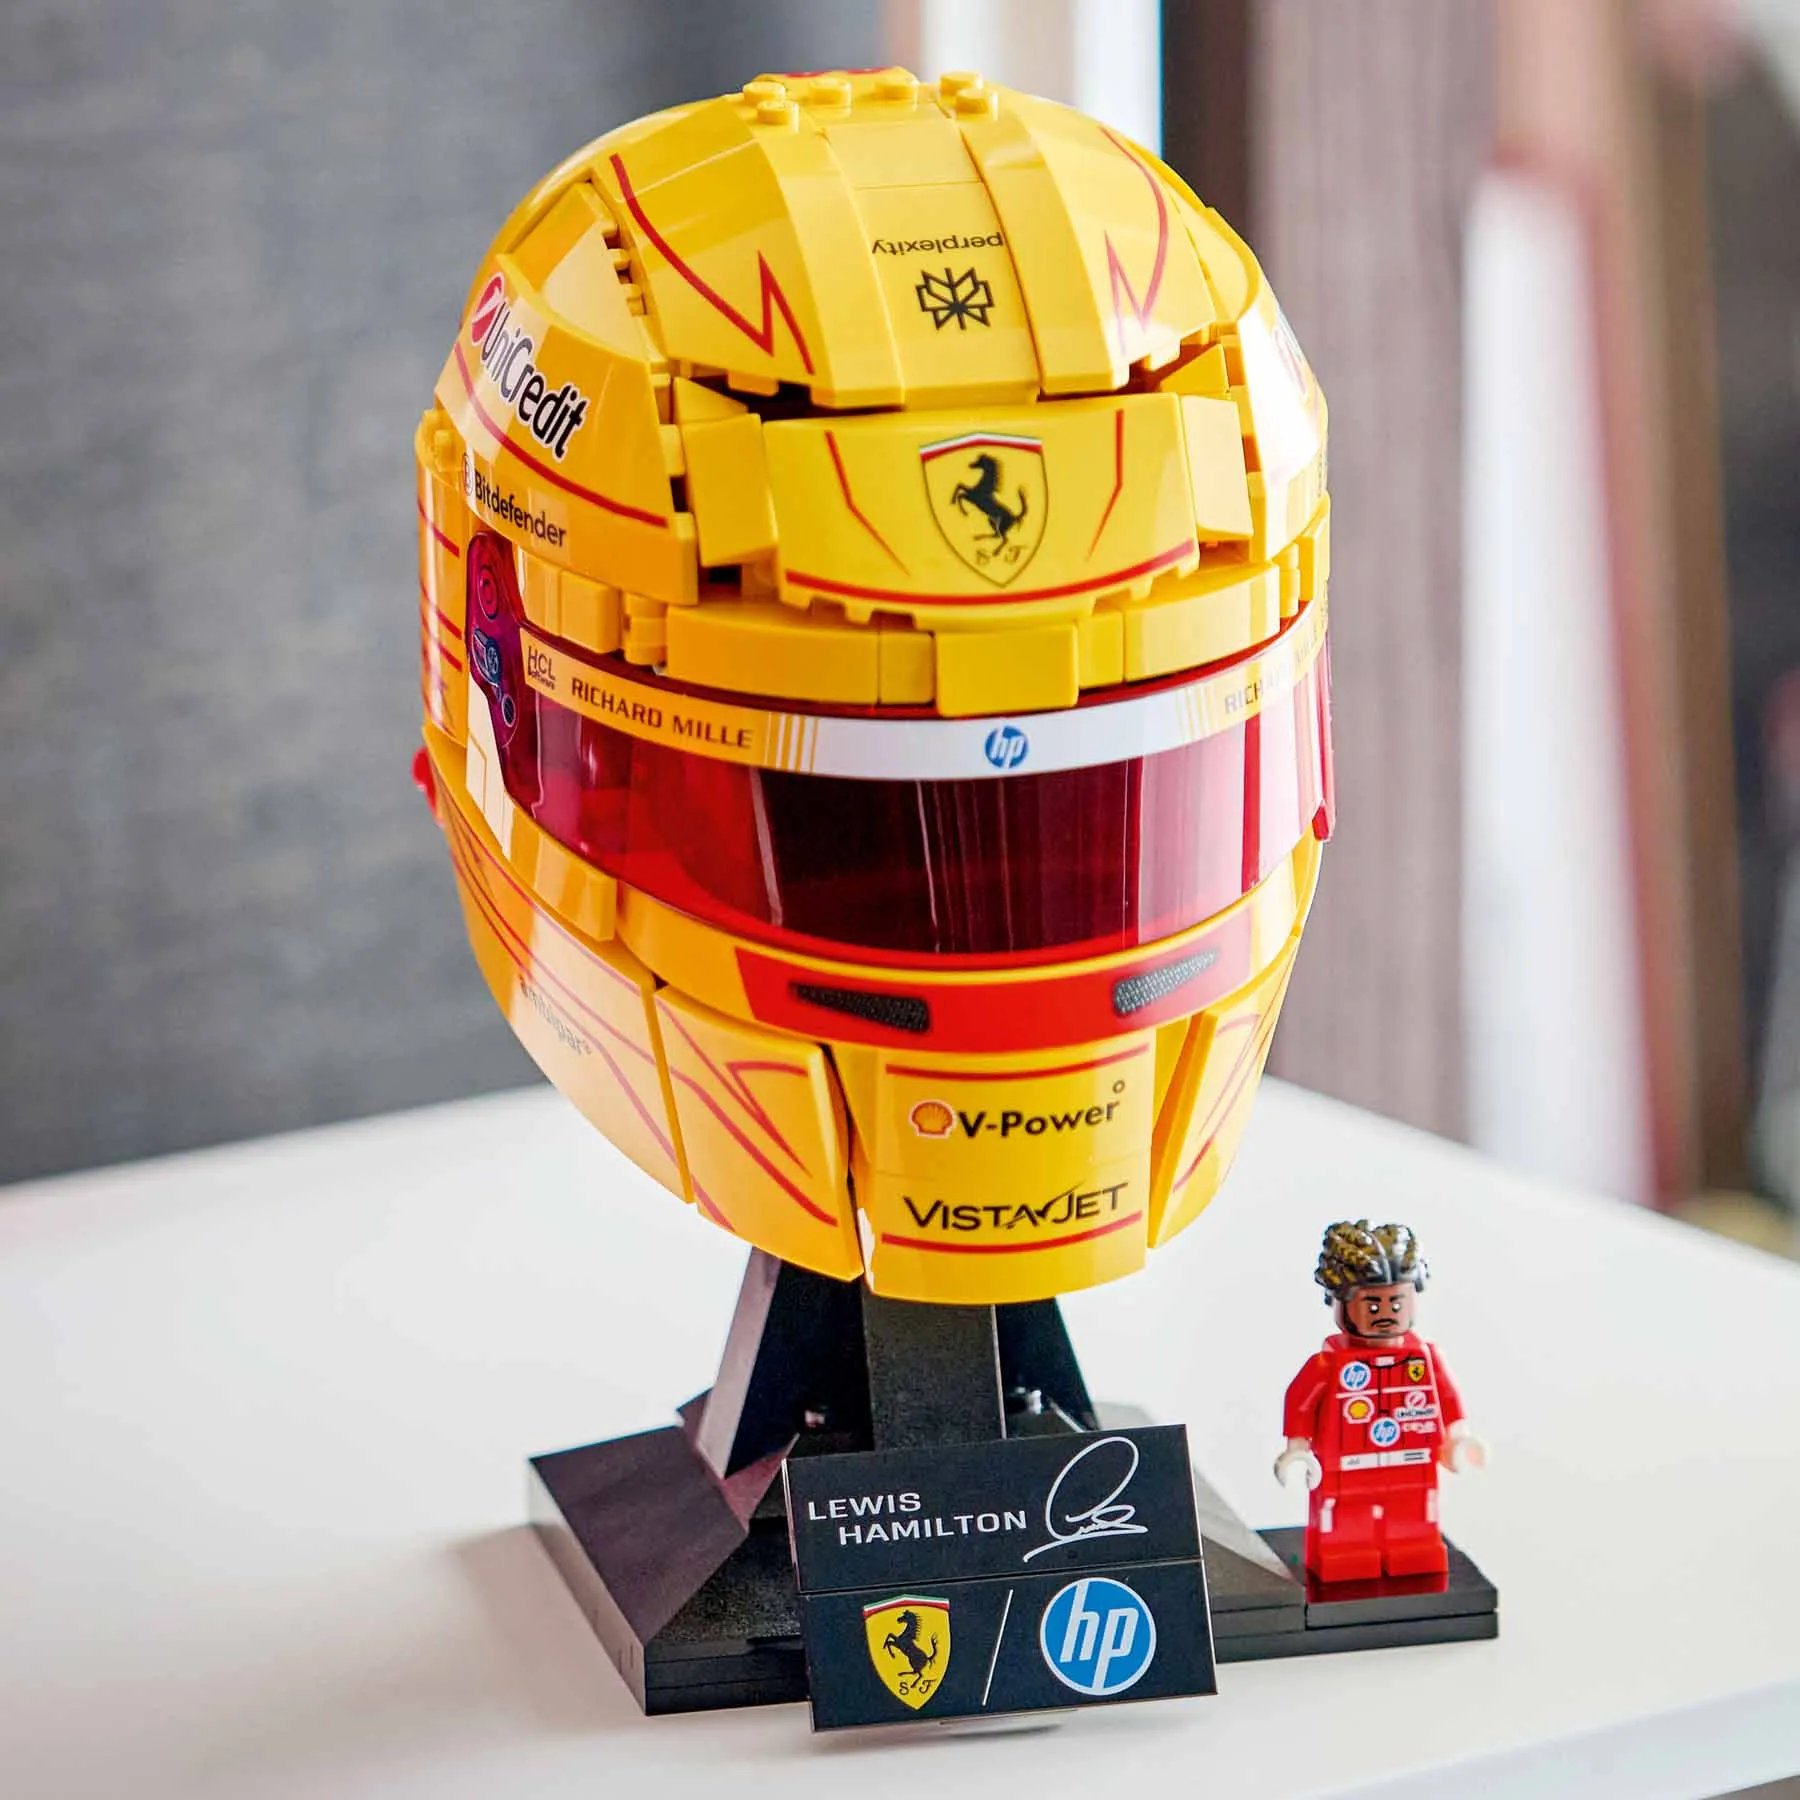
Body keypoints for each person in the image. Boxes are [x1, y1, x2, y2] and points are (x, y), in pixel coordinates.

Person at [1274, 1220, 1486, 1580]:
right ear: (1340, 1302)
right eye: (1372, 1306)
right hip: (1345, 1466)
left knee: (1414, 1515)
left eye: (1396, 1302)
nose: (1386, 1314)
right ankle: (1345, 1552)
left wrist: (1458, 1437)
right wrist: (1297, 1448)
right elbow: (1301, 1402)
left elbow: (1447, 1397)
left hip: (1413, 1461)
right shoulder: (1328, 1365)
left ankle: (1414, 1548)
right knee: (1345, 1520)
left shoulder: (1425, 1358)